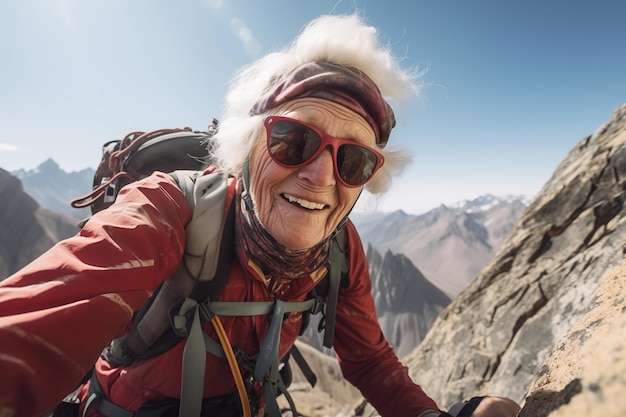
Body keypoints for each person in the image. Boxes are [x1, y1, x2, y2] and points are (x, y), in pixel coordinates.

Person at [0, 13, 521, 417]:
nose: (320, 176)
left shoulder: (340, 246)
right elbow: (28, 331)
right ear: (248, 148)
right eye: (293, 140)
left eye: (353, 160)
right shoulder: (168, 210)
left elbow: (367, 360)